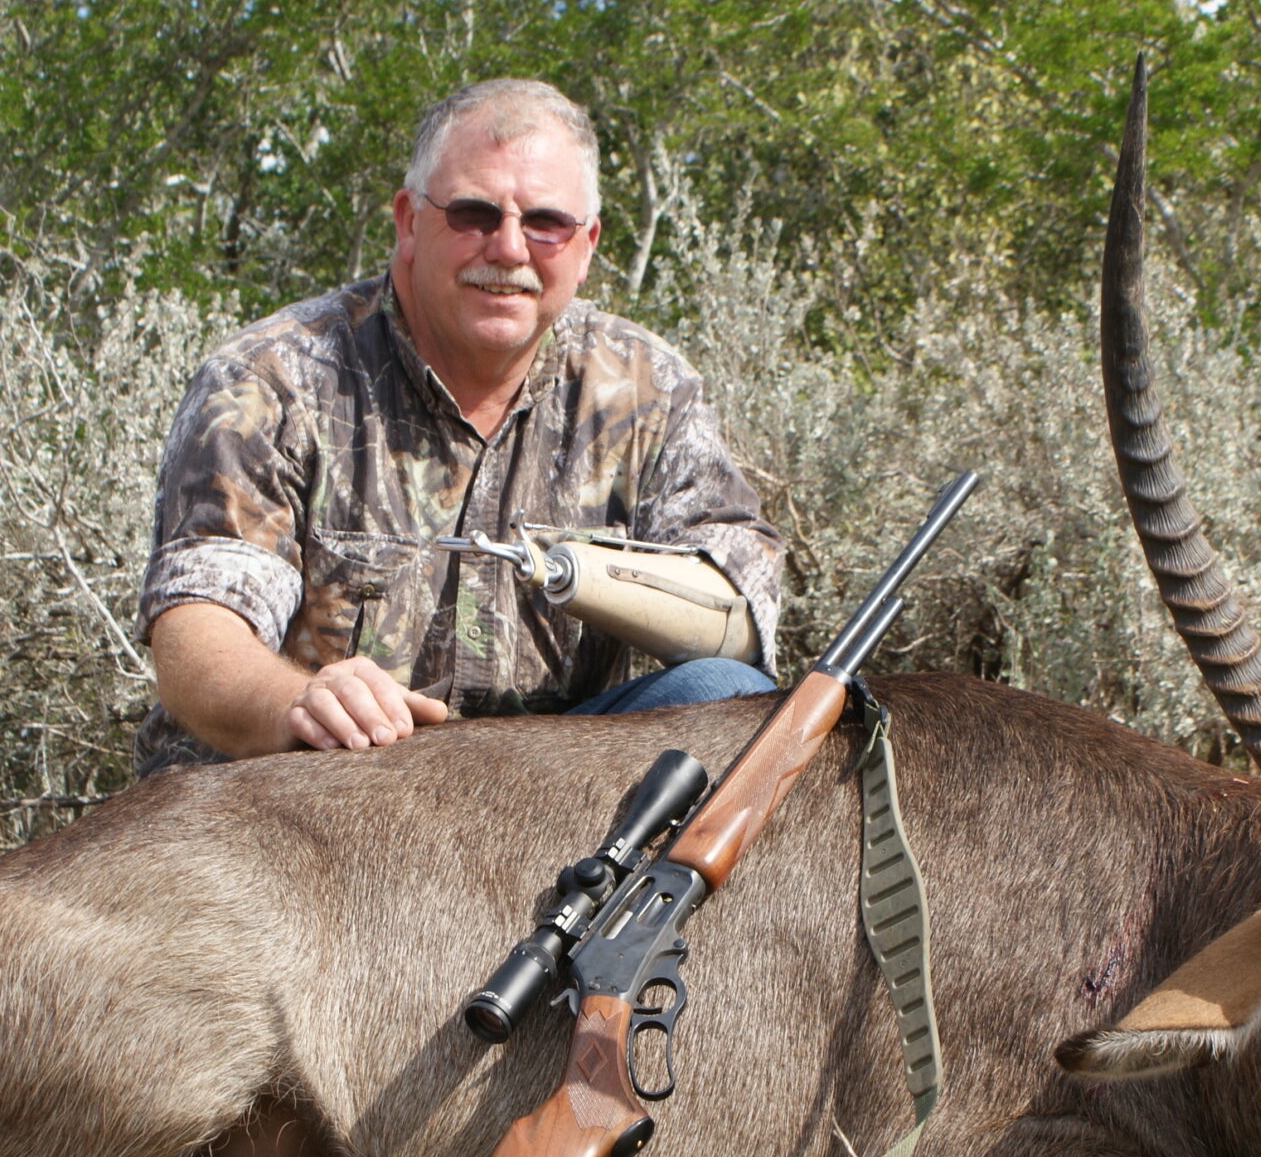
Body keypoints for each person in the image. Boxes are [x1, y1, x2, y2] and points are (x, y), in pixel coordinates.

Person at [133, 79, 783, 776]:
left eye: (546, 223)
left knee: (732, 696)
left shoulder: (646, 389)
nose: (508, 249)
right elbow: (197, 638)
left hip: (538, 788)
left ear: (586, 244)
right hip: (314, 787)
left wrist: (600, 578)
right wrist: (298, 703)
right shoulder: (270, 377)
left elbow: (740, 605)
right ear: (409, 220)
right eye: (473, 214)